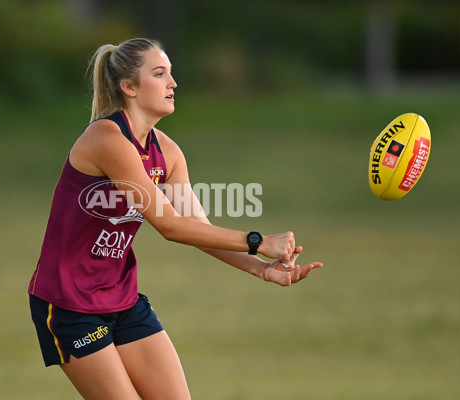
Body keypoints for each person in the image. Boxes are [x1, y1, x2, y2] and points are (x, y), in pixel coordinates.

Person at [28, 38, 323, 400]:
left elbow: (198, 230)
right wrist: (259, 241)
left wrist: (260, 267)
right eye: (159, 74)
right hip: (70, 304)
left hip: (121, 298)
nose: (173, 83)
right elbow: (169, 226)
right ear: (130, 87)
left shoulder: (166, 151)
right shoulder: (107, 138)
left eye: (171, 73)